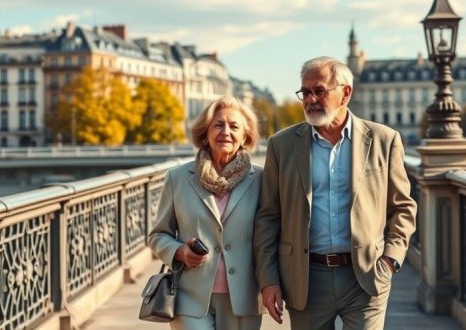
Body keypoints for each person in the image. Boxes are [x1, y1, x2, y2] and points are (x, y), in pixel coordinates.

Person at [254, 56, 417, 330]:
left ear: (346, 93)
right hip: (305, 279)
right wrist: (268, 279)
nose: (310, 99)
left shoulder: (384, 140)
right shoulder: (281, 145)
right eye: (305, 92)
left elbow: (403, 207)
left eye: (319, 91)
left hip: (366, 275)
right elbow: (268, 216)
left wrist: (390, 259)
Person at [148, 96, 264, 330]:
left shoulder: (262, 180)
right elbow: (157, 236)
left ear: (246, 136)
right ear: (205, 133)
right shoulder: (177, 178)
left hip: (244, 297)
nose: (226, 132)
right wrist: (179, 251)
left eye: (234, 126)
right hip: (189, 296)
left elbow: (271, 236)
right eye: (218, 125)